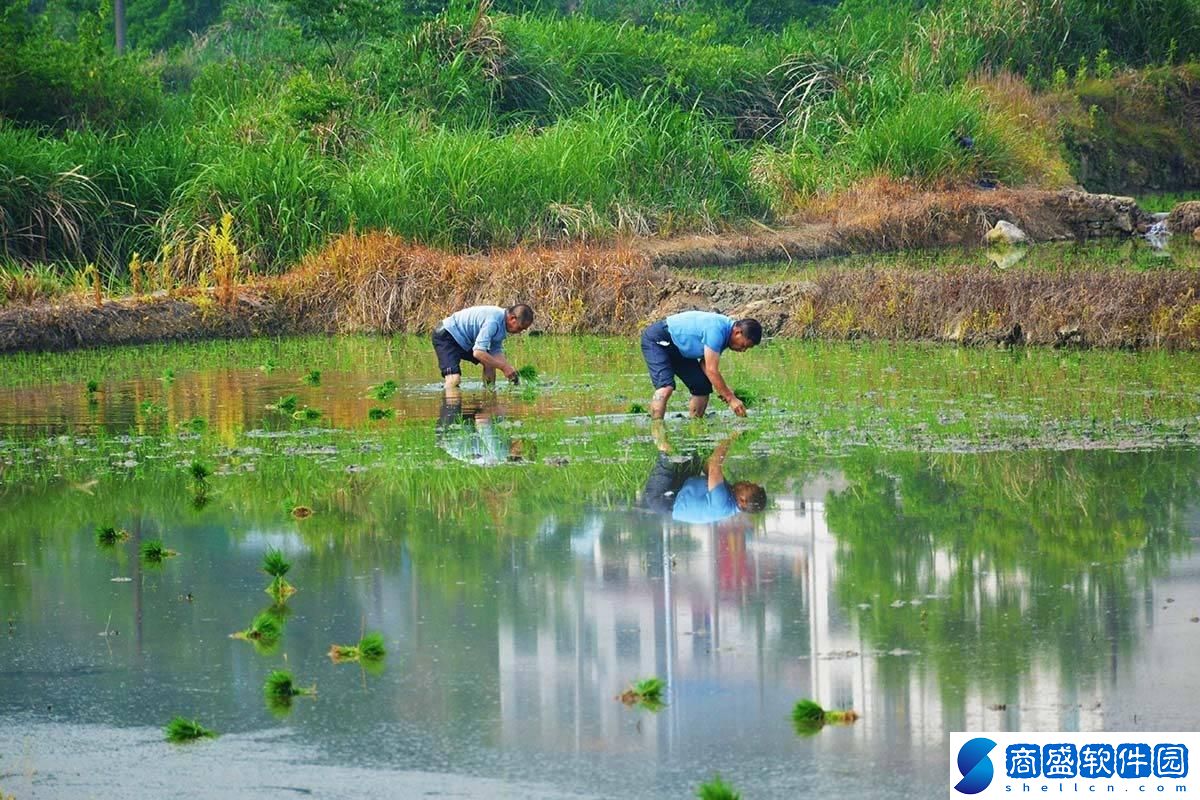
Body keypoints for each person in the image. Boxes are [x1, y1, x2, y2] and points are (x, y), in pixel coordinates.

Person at [640, 310, 762, 419]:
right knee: (666, 387)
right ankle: (657, 430)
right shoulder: (717, 330)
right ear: (737, 332)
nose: (743, 350)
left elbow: (705, 363)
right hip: (658, 339)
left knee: (702, 387)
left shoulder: (727, 333)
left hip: (679, 349)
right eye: (744, 345)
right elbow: (711, 369)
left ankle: (696, 426)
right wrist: (731, 398)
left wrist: (725, 391)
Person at [640, 426, 766, 523]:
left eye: (748, 487)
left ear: (742, 501)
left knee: (666, 452)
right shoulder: (730, 495)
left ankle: (656, 415)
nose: (746, 482)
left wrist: (732, 435)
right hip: (681, 487)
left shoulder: (722, 503)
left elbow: (714, 466)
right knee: (694, 449)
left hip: (662, 498)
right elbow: (707, 469)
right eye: (750, 483)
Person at [433, 304, 534, 393]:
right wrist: (504, 367)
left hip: (464, 340)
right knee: (454, 379)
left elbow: (495, 352)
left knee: (490, 361)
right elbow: (478, 352)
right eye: (520, 328)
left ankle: (489, 395)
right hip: (447, 335)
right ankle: (450, 410)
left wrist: (509, 370)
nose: (520, 332)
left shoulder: (503, 325)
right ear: (512, 318)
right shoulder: (493, 320)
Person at [436, 396, 532, 465]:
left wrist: (498, 410)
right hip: (446, 436)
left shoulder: (501, 453)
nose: (520, 438)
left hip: (450, 428)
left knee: (453, 390)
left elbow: (481, 420)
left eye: (523, 442)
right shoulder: (500, 457)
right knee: (496, 416)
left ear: (517, 451)